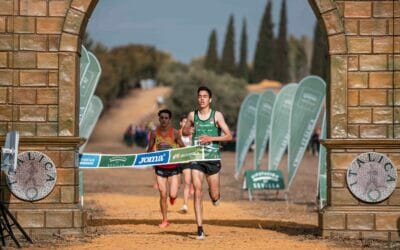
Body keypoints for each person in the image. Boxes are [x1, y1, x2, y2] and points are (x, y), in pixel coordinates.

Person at [183, 86, 232, 240]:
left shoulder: (216, 115)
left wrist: (212, 138)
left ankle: (215, 198)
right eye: (199, 96)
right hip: (197, 157)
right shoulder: (192, 115)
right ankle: (199, 229)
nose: (202, 99)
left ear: (210, 99)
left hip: (212, 158)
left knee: (214, 193)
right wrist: (187, 131)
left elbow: (229, 136)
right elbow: (184, 131)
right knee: (197, 190)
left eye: (205, 96)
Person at [147, 109, 185, 228]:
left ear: (169, 119)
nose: (164, 120)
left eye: (166, 118)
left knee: (172, 194)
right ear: (159, 118)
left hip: (174, 168)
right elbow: (149, 149)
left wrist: (179, 153)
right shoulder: (154, 133)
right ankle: (165, 220)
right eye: (162, 117)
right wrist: (150, 154)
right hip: (160, 168)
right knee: (163, 194)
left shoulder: (175, 133)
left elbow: (183, 147)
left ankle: (173, 198)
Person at [178, 115, 194, 214]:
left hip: (187, 162)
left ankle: (185, 205)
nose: (186, 124)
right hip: (176, 162)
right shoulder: (176, 133)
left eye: (187, 122)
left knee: (187, 183)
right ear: (180, 123)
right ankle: (173, 196)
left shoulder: (192, 134)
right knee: (175, 187)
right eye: (184, 122)